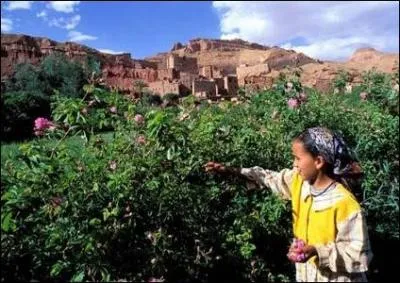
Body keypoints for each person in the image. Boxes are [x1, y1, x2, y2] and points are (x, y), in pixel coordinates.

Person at [204, 127, 373, 282]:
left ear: (319, 161)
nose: (294, 164)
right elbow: (268, 178)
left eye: (298, 158)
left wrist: (317, 251)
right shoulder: (299, 184)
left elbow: (359, 255)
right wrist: (231, 171)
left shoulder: (343, 203)